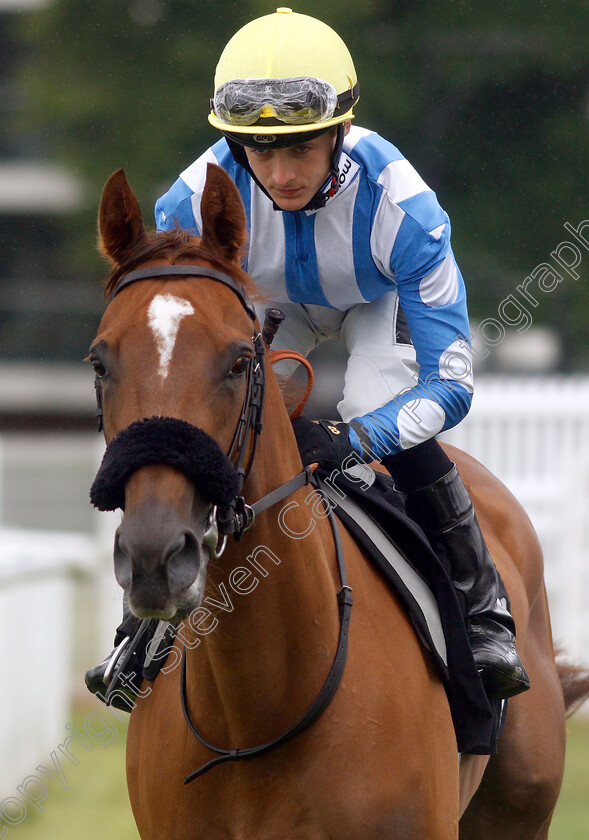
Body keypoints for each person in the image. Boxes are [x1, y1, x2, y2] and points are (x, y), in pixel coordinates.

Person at [86, 7, 529, 706]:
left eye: (299, 149)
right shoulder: (187, 203)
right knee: (204, 408)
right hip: (272, 304)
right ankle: (143, 626)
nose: (280, 173)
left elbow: (449, 386)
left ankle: (481, 612)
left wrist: (352, 440)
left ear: (339, 131)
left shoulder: (404, 211)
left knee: (368, 405)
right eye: (260, 152)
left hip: (379, 299)